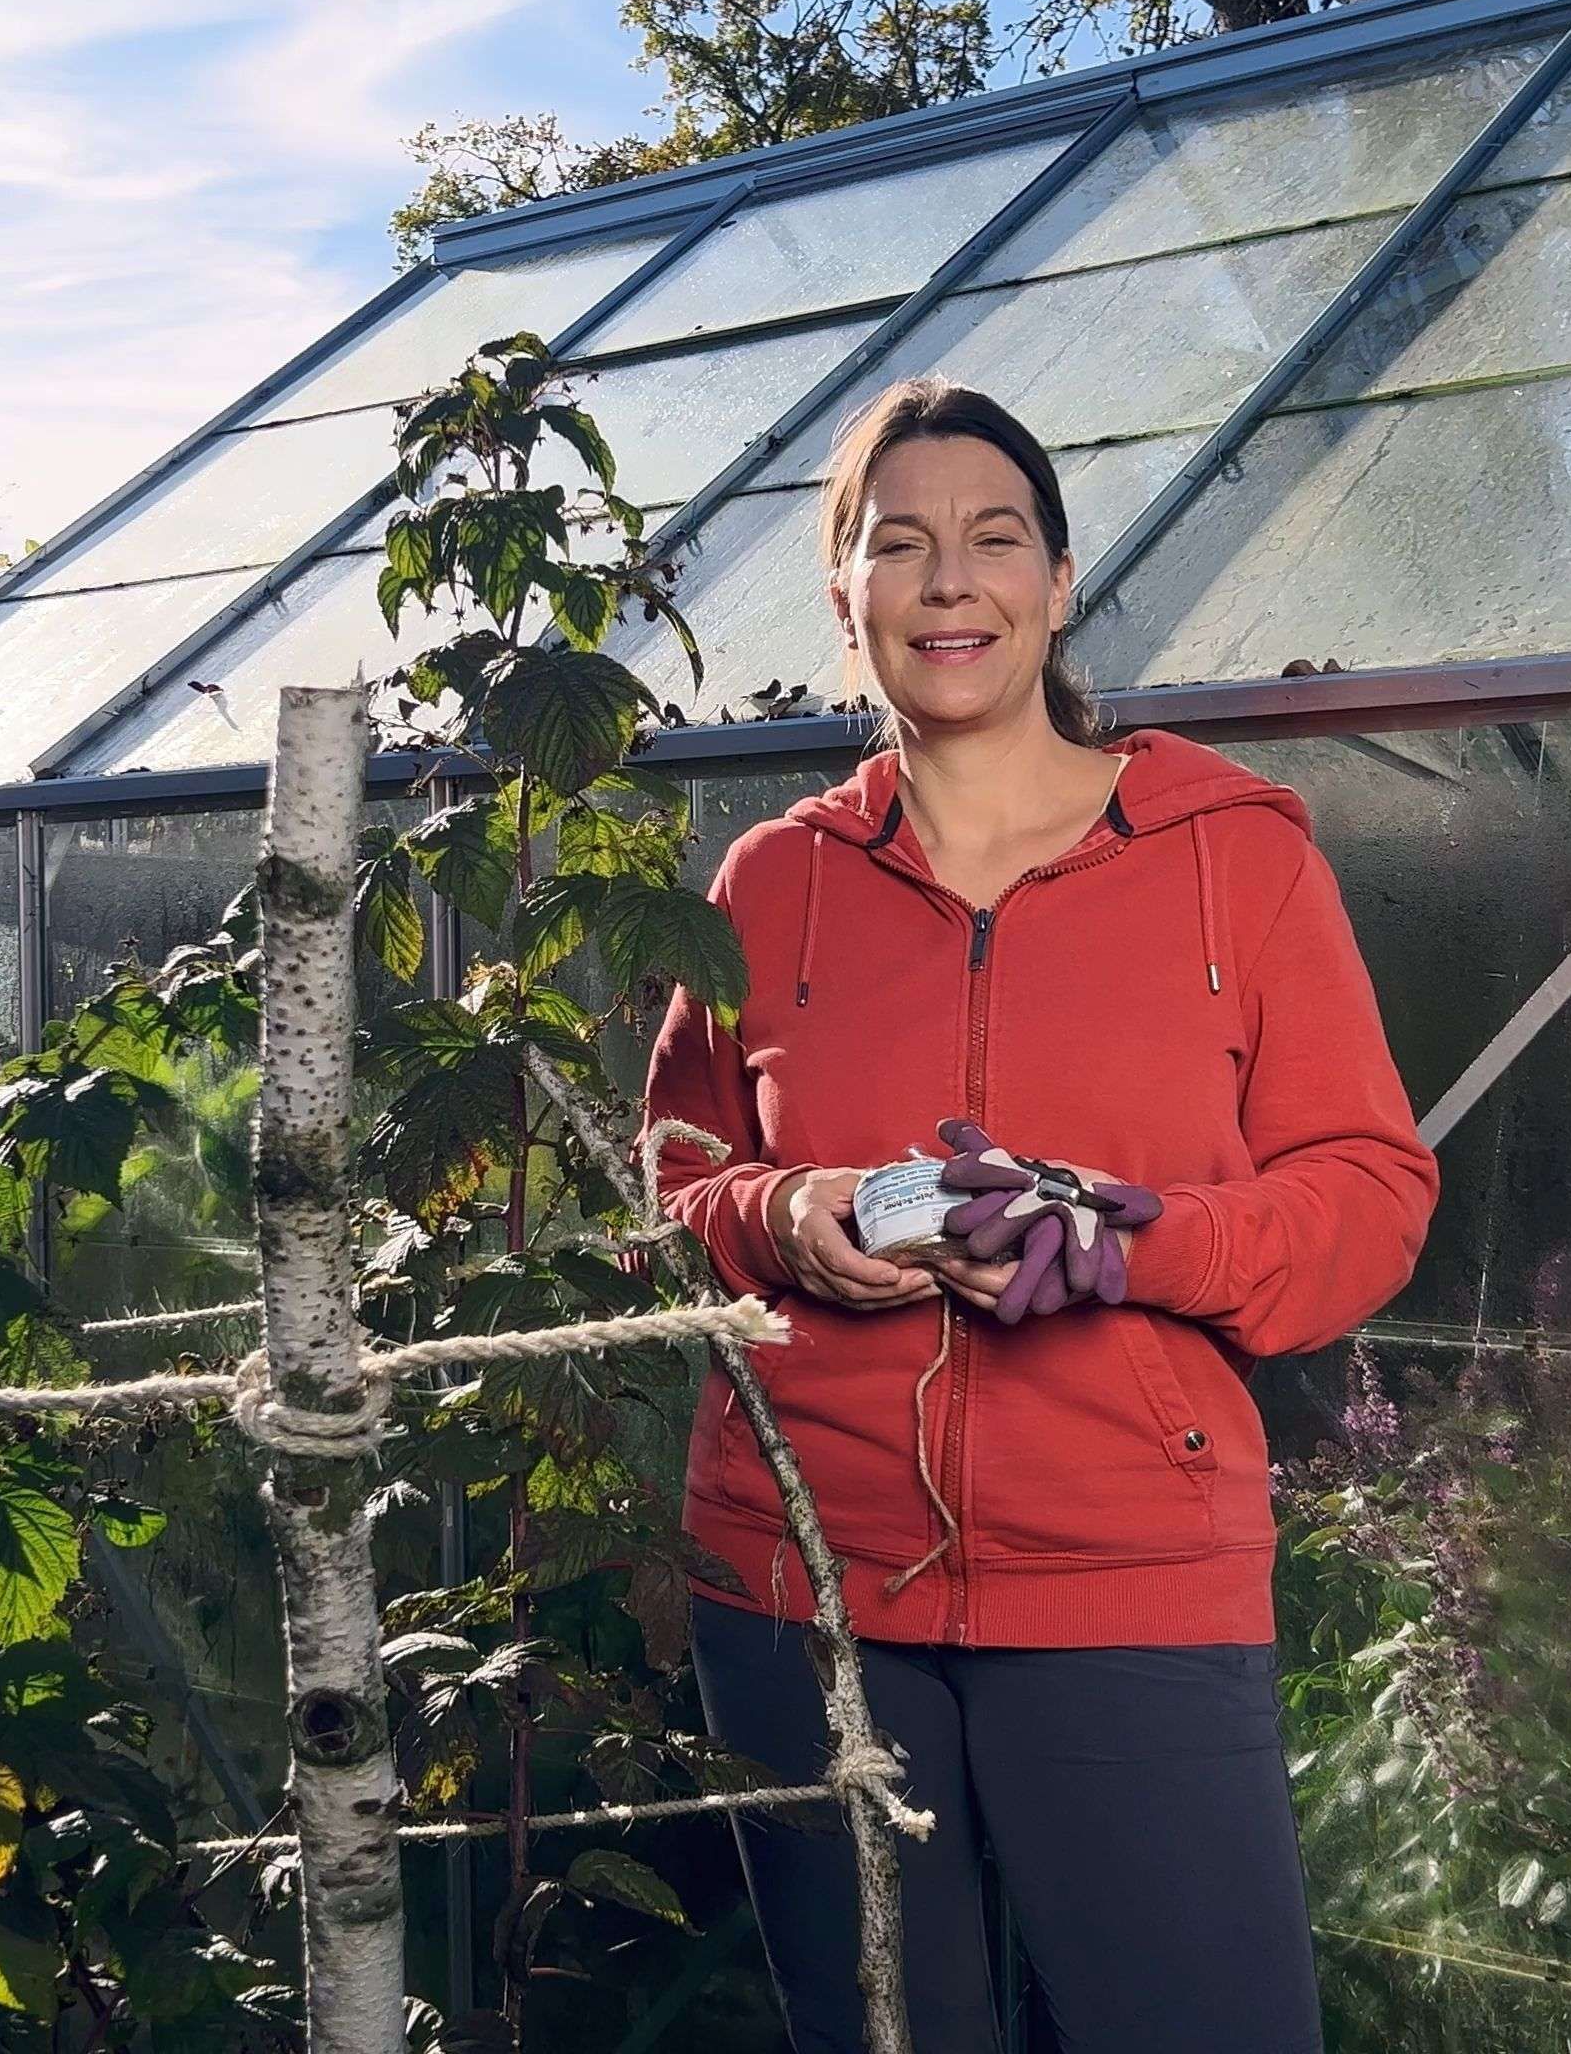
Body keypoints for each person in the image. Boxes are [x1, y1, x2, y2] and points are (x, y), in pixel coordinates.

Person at [639, 377, 1441, 2051]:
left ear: (1059, 584)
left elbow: (1367, 1194)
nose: (950, 583)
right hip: (808, 1594)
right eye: (899, 545)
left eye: (995, 540)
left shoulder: (1238, 860)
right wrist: (795, 1215)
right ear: (844, 598)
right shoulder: (770, 880)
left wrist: (1146, 1246)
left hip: (1129, 1575)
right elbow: (670, 1178)